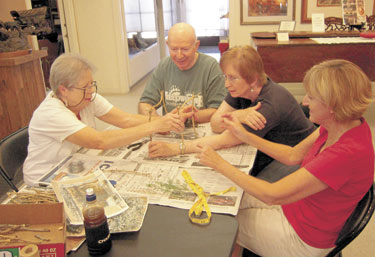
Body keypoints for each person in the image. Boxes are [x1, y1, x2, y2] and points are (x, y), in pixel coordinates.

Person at [197, 59, 374, 257]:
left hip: (303, 238)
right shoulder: (339, 124)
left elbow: (272, 194)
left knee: (225, 221)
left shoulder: (345, 153)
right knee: (228, 200)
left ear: (332, 105)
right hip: (297, 208)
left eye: (311, 97)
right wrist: (246, 136)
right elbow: (292, 155)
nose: (305, 102)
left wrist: (219, 164)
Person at [148, 45, 316, 182]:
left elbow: (223, 140)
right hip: (271, 147)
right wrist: (239, 115)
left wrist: (175, 148)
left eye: (233, 78)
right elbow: (215, 123)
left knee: (252, 188)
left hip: (299, 156)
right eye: (225, 77)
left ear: (253, 79)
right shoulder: (242, 89)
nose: (227, 84)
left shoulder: (269, 105)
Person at [23, 53, 184, 186]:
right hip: (46, 179)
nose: (91, 91)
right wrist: (154, 125)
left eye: (92, 84)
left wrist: (166, 120)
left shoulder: (87, 98)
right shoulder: (51, 113)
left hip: (73, 164)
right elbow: (99, 141)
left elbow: (125, 119)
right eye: (85, 87)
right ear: (63, 90)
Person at [138, 22, 226, 124]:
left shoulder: (211, 67)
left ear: (196, 45)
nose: (179, 56)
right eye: (174, 49)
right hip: (170, 129)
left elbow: (218, 111)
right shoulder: (164, 66)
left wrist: (185, 118)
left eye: (185, 49)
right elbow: (145, 103)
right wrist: (158, 122)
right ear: (167, 45)